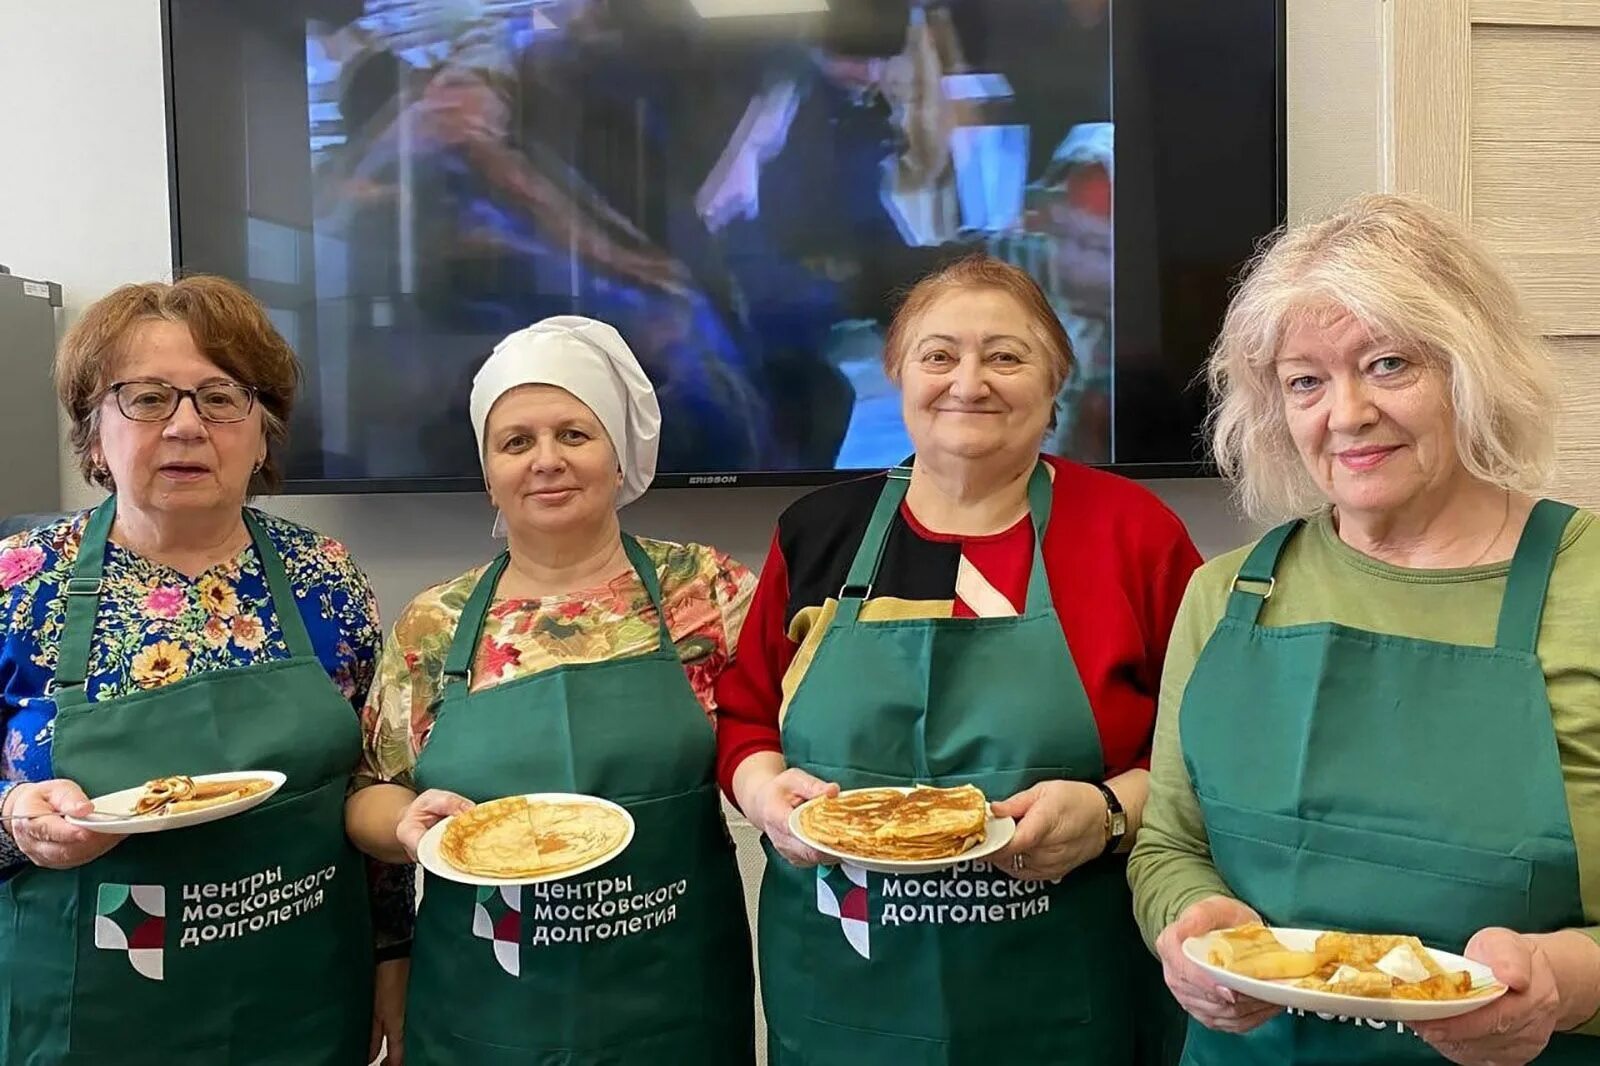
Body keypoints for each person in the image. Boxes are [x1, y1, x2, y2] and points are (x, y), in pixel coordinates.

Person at [1128, 193, 1600, 1065]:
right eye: (1305, 381)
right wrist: (1187, 924)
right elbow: (1170, 844)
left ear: (1472, 367)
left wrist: (1565, 981)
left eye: (1387, 364)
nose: (1344, 414)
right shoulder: (1226, 596)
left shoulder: (1587, 579)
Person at [716, 255, 1202, 1064]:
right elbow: (745, 713)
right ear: (897, 373)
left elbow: (1206, 746)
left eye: (1005, 356)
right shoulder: (816, 532)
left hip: (1064, 997)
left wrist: (1112, 812)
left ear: (1056, 381)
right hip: (847, 994)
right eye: (939, 355)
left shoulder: (1132, 534)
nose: (968, 382)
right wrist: (766, 796)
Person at [0, 276, 406, 1065]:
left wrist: (395, 954)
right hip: (86, 1019)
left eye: (220, 397)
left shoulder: (326, 577)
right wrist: (13, 817)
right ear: (92, 435)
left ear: (263, 434)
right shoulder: (20, 582)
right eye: (147, 398)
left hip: (300, 1009)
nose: (187, 425)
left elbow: (371, 780)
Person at [345, 315, 758, 1065]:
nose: (546, 462)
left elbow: (782, 742)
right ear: (489, 469)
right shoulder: (435, 623)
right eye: (517, 442)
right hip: (487, 1006)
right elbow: (370, 794)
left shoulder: (709, 591)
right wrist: (407, 826)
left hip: (671, 999)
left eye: (574, 434)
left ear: (618, 452)